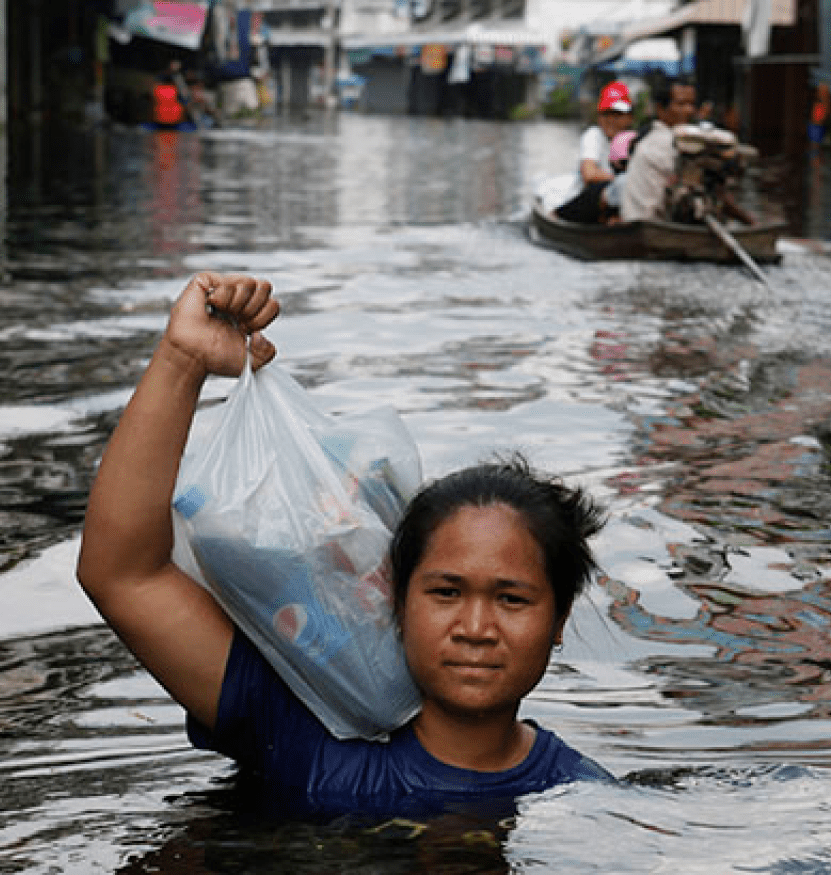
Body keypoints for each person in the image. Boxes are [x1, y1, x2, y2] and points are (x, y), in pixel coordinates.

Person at [76, 272, 613, 818]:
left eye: (512, 599)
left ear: (560, 619)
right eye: (447, 592)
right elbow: (122, 575)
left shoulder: (581, 797)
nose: (475, 628)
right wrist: (180, 361)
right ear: (398, 603)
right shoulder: (307, 737)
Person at [553, 81, 633, 224]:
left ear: (629, 117)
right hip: (586, 201)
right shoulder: (594, 136)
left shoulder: (632, 140)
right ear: (599, 117)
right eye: (606, 114)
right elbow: (589, 174)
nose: (611, 120)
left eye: (617, 115)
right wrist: (630, 181)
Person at [619, 77, 695, 223]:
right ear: (660, 109)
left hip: (640, 221)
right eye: (681, 104)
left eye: (691, 104)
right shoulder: (667, 141)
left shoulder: (655, 136)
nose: (689, 110)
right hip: (648, 223)